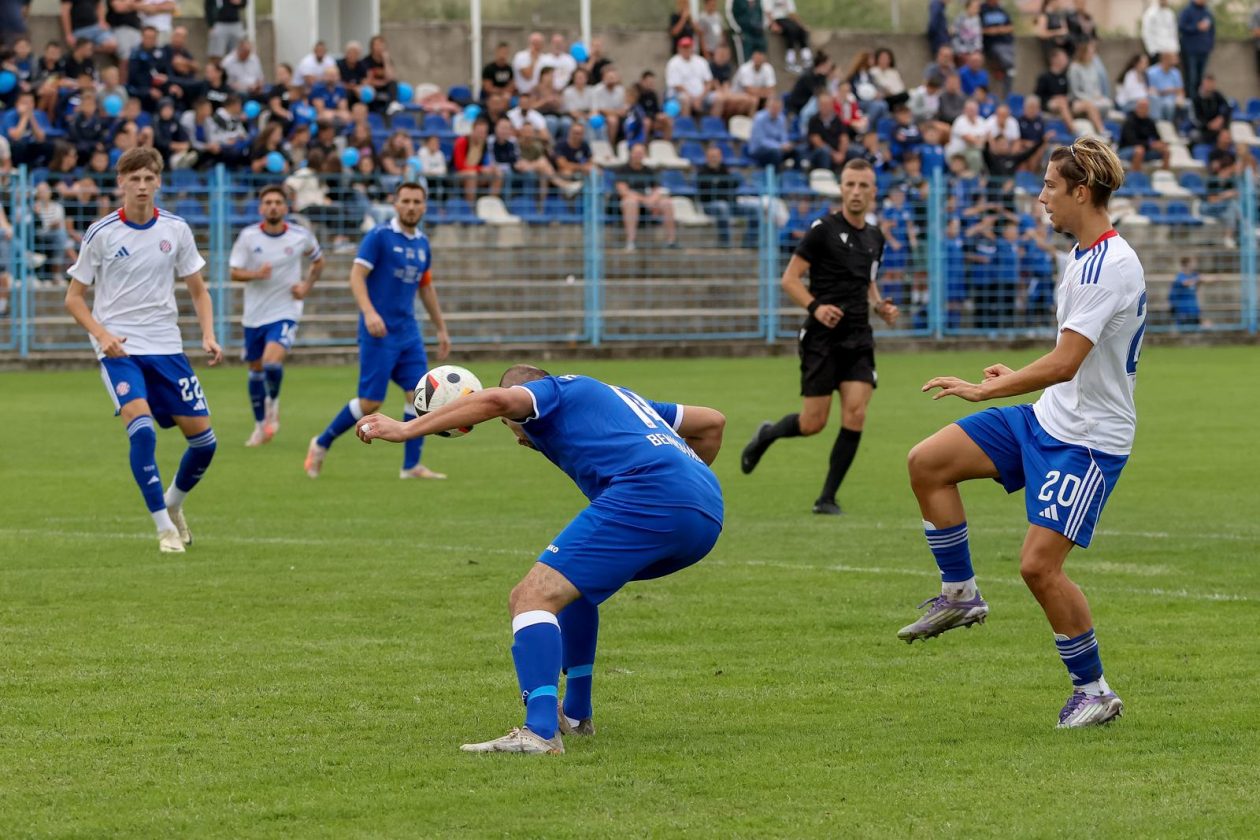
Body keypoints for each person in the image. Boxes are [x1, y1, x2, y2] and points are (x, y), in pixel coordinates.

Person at [899, 137, 1146, 730]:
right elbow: (1068, 361)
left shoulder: (1109, 265)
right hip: (1048, 414)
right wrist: (1019, 379)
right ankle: (960, 594)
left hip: (1088, 440)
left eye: (1050, 188)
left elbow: (1065, 363)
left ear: (1081, 192)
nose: (1041, 199)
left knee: (1039, 567)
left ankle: (1094, 691)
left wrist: (986, 389)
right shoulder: (1082, 256)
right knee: (928, 462)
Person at [355, 365, 726, 754]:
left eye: (511, 424)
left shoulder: (554, 392)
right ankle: (577, 716)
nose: (516, 434)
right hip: (704, 512)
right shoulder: (627, 402)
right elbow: (712, 424)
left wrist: (407, 428)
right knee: (573, 590)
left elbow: (498, 399)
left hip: (649, 496)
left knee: (530, 597)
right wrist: (683, 491)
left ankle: (540, 731)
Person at [63, 147, 221, 554]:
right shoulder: (101, 233)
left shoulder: (176, 229)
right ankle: (163, 529)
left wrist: (208, 334)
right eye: (133, 178)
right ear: (121, 183)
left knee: (205, 444)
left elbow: (199, 291)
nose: (142, 185)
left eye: (149, 178)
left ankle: (173, 505)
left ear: (159, 182)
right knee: (143, 430)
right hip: (120, 350)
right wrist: (102, 335)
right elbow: (74, 298)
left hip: (167, 347)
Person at [741, 159, 900, 515]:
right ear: (841, 189)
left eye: (863, 186)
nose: (856, 192)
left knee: (855, 414)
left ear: (874, 192)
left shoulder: (875, 237)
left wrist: (880, 307)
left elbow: (868, 281)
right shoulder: (822, 230)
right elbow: (790, 279)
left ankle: (826, 498)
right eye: (850, 185)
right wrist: (816, 307)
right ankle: (768, 434)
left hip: (859, 336)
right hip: (821, 338)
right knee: (813, 423)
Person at [305, 182, 451, 480]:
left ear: (424, 206)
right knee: (371, 402)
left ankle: (411, 466)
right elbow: (356, 276)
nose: (411, 206)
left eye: (417, 202)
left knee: (420, 396)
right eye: (406, 201)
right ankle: (321, 443)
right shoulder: (379, 237)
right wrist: (369, 313)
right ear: (395, 204)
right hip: (379, 332)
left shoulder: (422, 243)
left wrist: (441, 328)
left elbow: (426, 287)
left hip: (408, 333)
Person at [229, 185, 324, 447]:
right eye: (268, 202)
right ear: (261, 208)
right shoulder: (248, 237)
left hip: (285, 311)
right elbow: (234, 272)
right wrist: (256, 274)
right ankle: (260, 426)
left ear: (286, 207)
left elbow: (319, 261)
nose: (272, 206)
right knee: (256, 370)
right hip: (254, 315)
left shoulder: (300, 236)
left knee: (272, 362)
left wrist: (306, 286)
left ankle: (273, 401)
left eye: (277, 202)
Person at [613, 143, 676, 252]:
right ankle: (631, 242)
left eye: (641, 153)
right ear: (630, 154)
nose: (638, 155)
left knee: (666, 202)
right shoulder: (622, 170)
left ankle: (671, 241)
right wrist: (645, 200)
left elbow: (657, 189)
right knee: (630, 202)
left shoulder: (649, 170)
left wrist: (652, 199)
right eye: (636, 153)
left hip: (647, 204)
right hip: (627, 206)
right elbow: (623, 191)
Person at [1178, 0, 1213, 101]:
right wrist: (1196, 27)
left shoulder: (1207, 12)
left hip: (1203, 50)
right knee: (1191, 79)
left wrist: (1209, 45)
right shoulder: (1187, 11)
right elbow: (1181, 27)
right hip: (1190, 51)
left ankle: (1197, 103)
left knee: (1199, 80)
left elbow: (1212, 30)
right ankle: (1190, 103)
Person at [765, 0, 812, 73]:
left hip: (786, 20)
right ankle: (790, 61)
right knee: (791, 30)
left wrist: (802, 25)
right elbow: (768, 12)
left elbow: (792, 13)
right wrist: (773, 25)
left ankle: (807, 58)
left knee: (801, 31)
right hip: (776, 20)